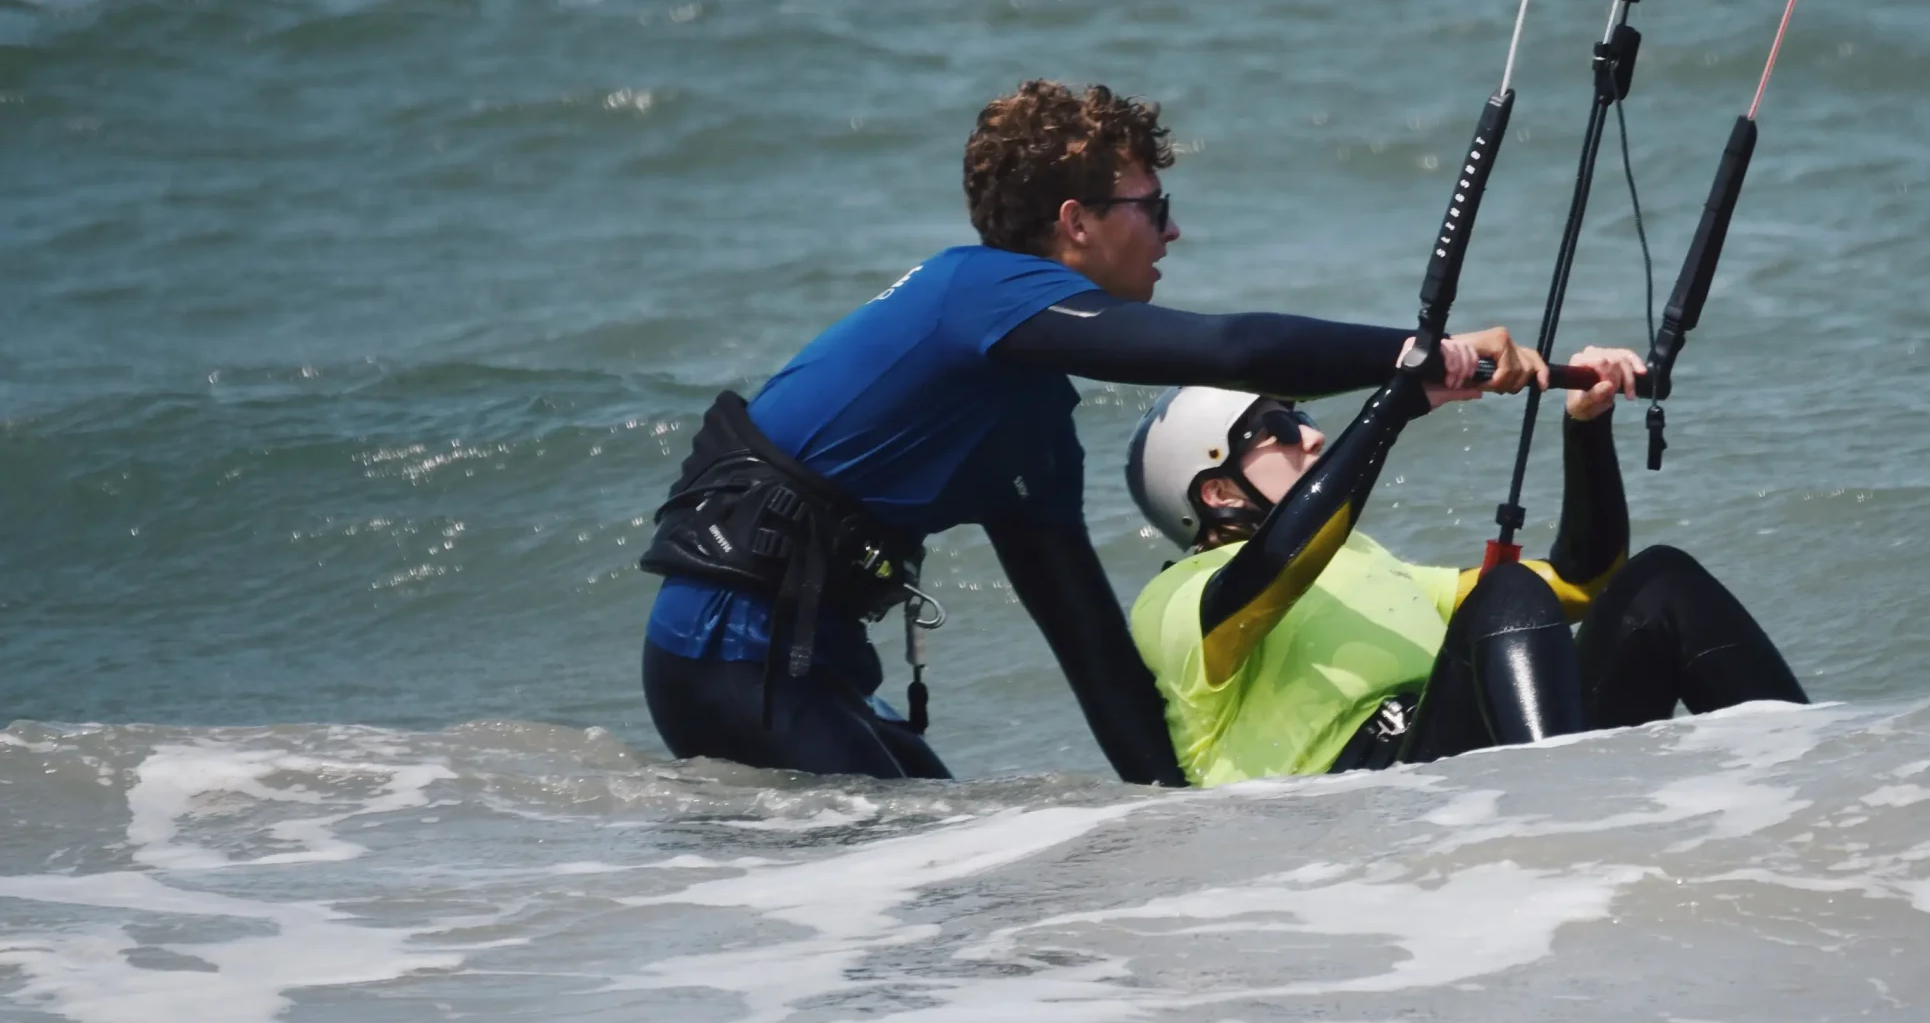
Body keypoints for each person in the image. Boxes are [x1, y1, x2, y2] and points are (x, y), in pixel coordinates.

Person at [637, 79, 1542, 784]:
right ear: (1075, 222)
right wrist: (1422, 355)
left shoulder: (1030, 428)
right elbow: (1231, 348)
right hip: (727, 647)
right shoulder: (974, 294)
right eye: (1153, 205)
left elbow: (1097, 658)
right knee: (925, 886)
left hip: (807, 663)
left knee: (950, 859)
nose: (1173, 229)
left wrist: (1191, 833)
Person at [1124, 348, 1806, 785]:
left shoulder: (1358, 562)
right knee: (1504, 590)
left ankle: (1812, 784)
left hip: (1459, 773)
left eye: (1299, 415)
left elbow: (1580, 584)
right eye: (1277, 428)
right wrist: (1395, 403)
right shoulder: (1176, 600)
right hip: (1342, 821)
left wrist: (1586, 426)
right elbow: (1278, 564)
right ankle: (1573, 829)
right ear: (1218, 492)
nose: (1312, 434)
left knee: (1660, 584)